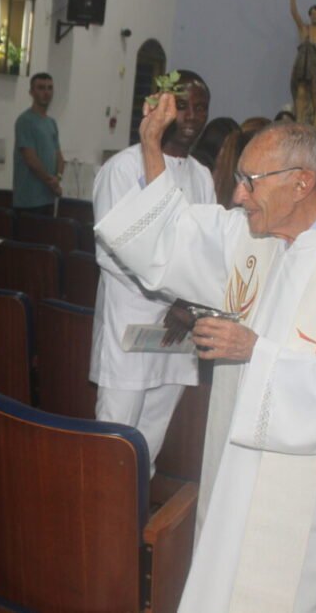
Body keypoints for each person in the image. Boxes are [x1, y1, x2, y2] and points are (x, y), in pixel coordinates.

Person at [96, 98, 316, 612]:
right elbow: (173, 234)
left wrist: (257, 352)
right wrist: (151, 147)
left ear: (301, 183)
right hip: (232, 472)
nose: (238, 195)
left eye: (251, 181)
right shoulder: (255, 237)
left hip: (299, 501)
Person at [91, 70, 213, 475]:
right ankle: (100, 523)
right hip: (132, 324)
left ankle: (133, 521)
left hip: (178, 334)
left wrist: (190, 305)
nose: (192, 115)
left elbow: (206, 249)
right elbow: (115, 253)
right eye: (183, 105)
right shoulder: (122, 169)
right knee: (115, 437)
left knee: (151, 441)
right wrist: (175, 296)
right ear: (163, 106)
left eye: (201, 107)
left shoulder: (202, 176)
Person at [12, 72, 65, 214]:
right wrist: (52, 183)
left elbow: (59, 157)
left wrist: (58, 178)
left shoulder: (51, 123)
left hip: (48, 199)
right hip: (28, 201)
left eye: (49, 88)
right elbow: (30, 159)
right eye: (41, 88)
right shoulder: (25, 121)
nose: (46, 92)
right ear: (31, 92)